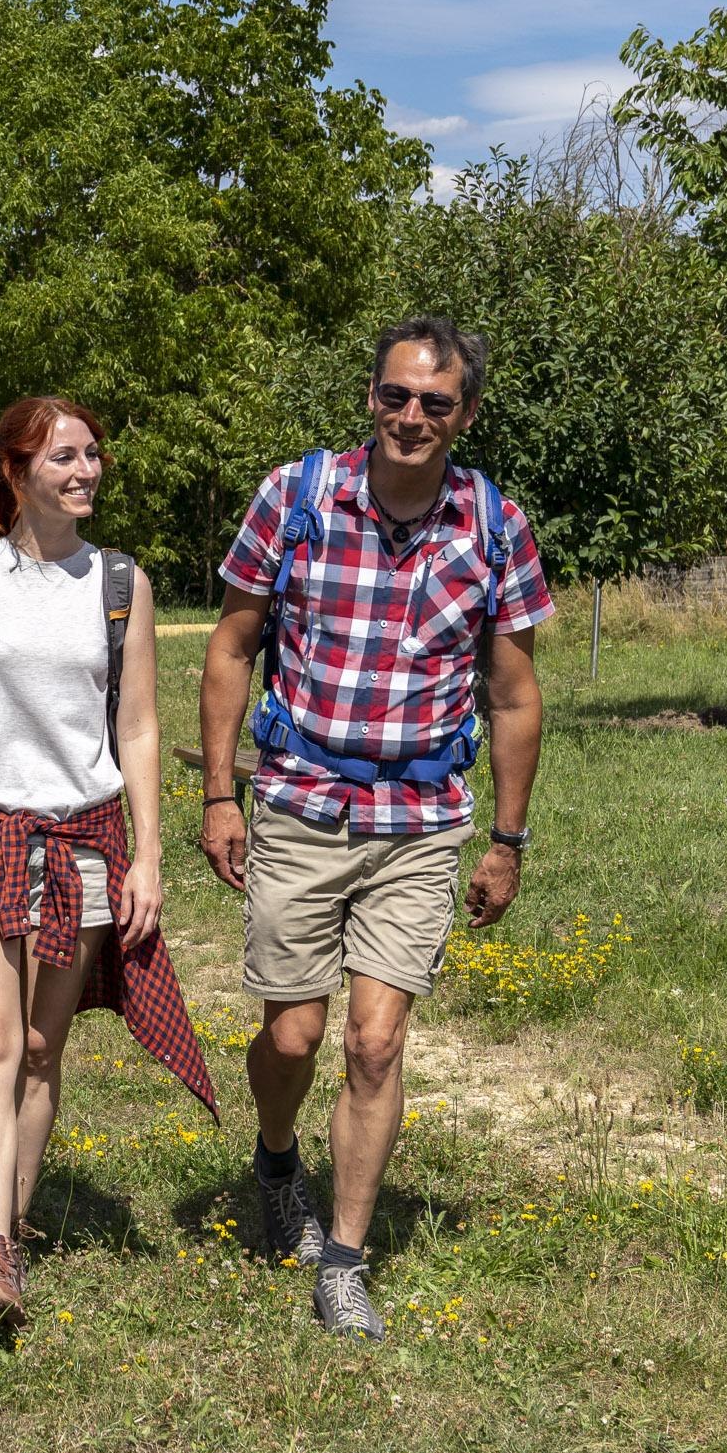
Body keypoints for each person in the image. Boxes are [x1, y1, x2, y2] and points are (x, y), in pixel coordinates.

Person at [197, 317, 553, 1340]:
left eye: (435, 402)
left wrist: (508, 840)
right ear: (371, 397)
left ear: (465, 414)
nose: (411, 416)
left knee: (373, 1038)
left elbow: (514, 695)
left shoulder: (493, 524)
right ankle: (277, 1161)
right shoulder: (296, 496)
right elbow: (231, 646)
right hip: (300, 802)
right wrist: (218, 794)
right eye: (396, 395)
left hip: (419, 816)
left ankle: (344, 1260)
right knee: (294, 1034)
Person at [0, 395, 216, 1343]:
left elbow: (138, 726)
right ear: (17, 471)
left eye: (93, 454)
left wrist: (149, 852)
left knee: (37, 1046)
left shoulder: (121, 584)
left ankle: (11, 1230)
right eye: (65, 456)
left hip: (85, 841)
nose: (86, 469)